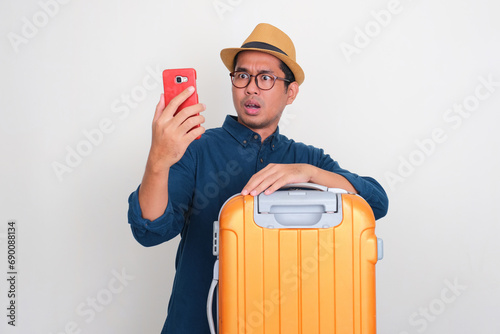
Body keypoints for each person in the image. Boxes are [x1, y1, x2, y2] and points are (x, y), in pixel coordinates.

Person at [127, 23, 389, 334]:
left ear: (290, 92)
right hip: (197, 324)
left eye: (266, 78)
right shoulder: (195, 148)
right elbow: (150, 232)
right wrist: (158, 160)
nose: (251, 87)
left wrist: (310, 173)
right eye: (242, 75)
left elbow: (375, 201)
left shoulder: (307, 159)